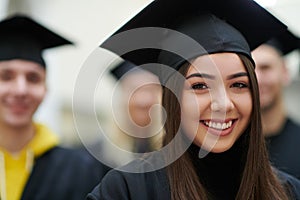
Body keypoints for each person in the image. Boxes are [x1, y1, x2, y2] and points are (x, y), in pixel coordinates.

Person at [87, 0, 300, 199]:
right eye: (200, 86)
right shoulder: (126, 191)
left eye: (238, 85)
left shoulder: (287, 192)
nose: (224, 104)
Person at [0, 14, 110, 200]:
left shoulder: (82, 169)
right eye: (6, 76)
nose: (21, 90)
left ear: (45, 89)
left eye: (33, 78)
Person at [252, 30, 300, 179]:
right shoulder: (230, 144)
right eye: (250, 69)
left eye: (265, 68)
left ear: (285, 72)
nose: (257, 78)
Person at [109, 60, 163, 154]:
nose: (143, 100)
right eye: (134, 90)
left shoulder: (178, 152)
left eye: (151, 90)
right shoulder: (91, 158)